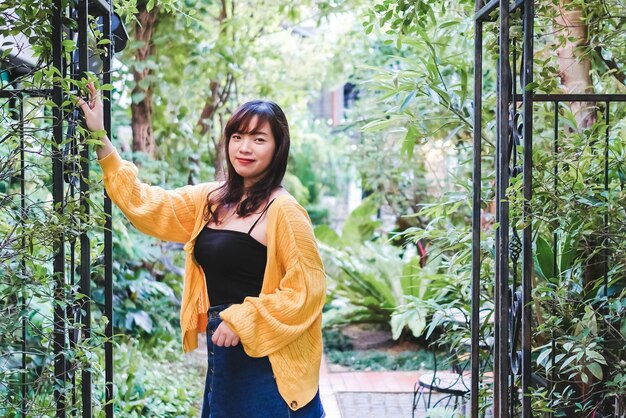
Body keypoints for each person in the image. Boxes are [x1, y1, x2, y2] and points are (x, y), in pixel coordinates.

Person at [77, 82, 327, 417]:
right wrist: (100, 138)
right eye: (237, 136)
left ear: (277, 148)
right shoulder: (212, 199)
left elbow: (307, 290)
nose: (245, 147)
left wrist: (242, 320)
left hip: (268, 356)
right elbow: (148, 204)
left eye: (259, 139)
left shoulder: (284, 211)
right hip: (224, 348)